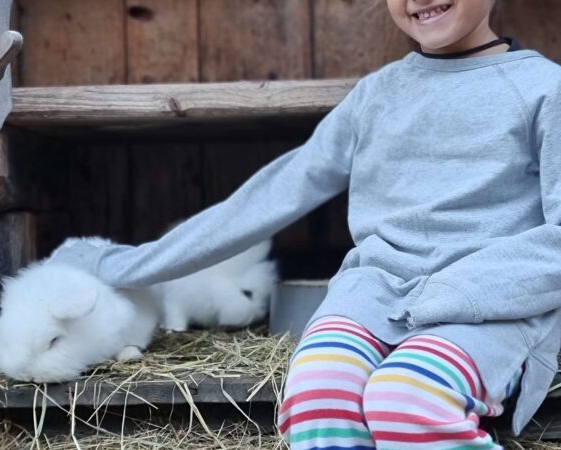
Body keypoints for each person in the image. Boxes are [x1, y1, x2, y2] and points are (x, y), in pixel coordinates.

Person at [51, 0, 561, 448]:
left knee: (407, 400)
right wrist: (122, 264)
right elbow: (269, 195)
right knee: (318, 396)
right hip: (373, 296)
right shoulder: (376, 96)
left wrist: (456, 294)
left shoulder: (543, 89)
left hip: (485, 308)